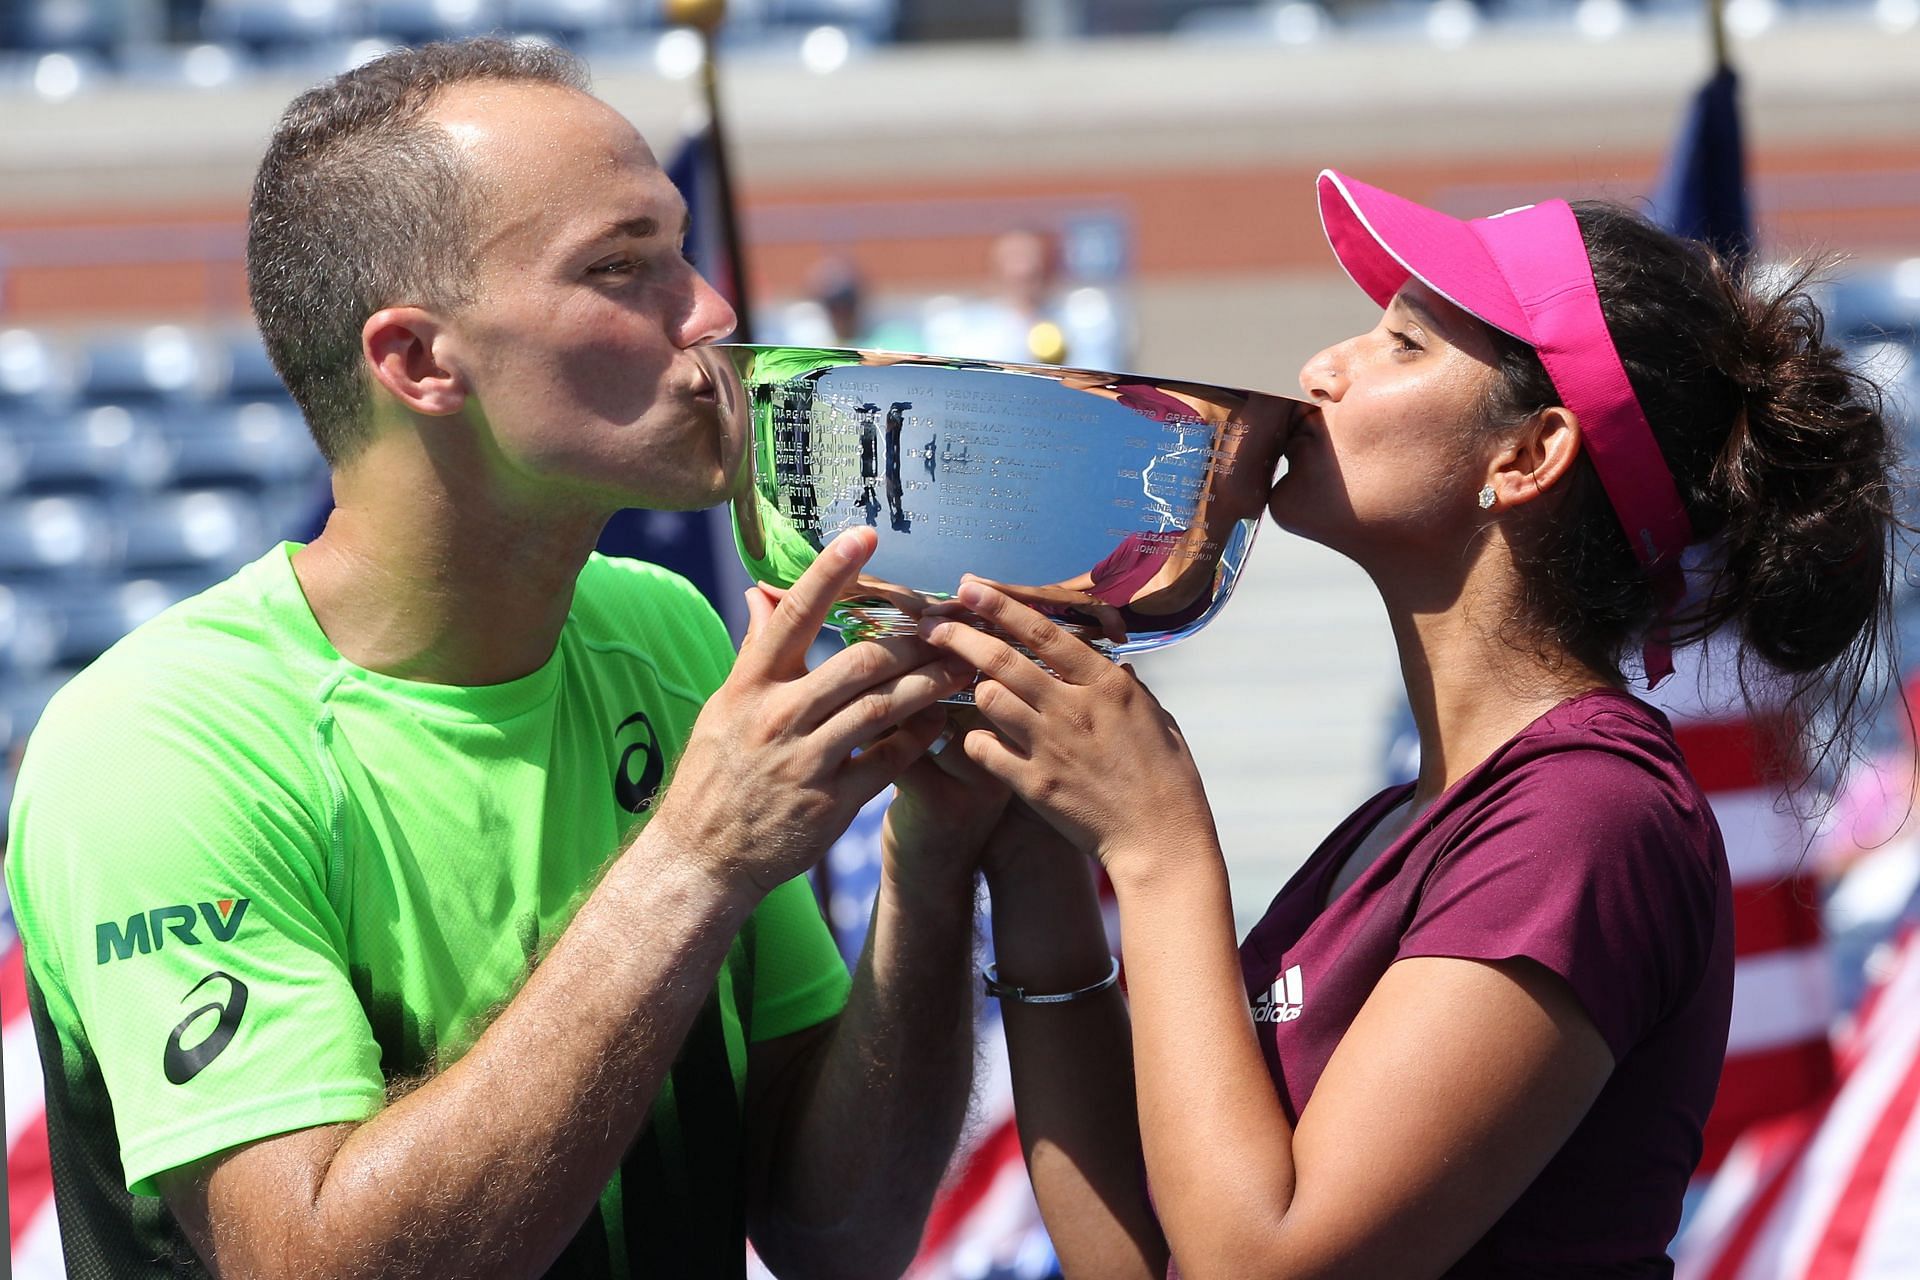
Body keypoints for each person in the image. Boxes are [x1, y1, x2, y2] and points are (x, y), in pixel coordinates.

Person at [4, 39, 990, 1280]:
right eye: (622, 267)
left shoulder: (666, 631)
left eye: (681, 250)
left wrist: (936, 861)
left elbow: (832, 1231)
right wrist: (693, 859)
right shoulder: (160, 740)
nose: (714, 315)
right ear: (419, 361)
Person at [916, 171, 1897, 1275]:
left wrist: (1158, 847)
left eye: (1404, 344)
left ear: (1530, 455)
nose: (1321, 370)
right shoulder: (1404, 822)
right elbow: (1145, 1258)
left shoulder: (1588, 814)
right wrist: (1041, 860)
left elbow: (1268, 1263)